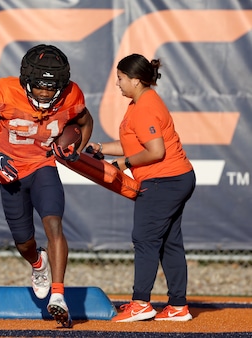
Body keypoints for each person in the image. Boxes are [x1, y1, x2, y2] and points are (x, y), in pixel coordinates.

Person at [0, 44, 93, 327]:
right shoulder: (4, 93)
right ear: (26, 81)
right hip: (11, 173)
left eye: (51, 87)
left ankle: (58, 295)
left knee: (54, 225)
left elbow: (85, 121)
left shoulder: (72, 95)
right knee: (24, 243)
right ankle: (38, 263)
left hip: (43, 167)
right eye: (39, 86)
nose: (46, 93)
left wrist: (77, 148)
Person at [87, 53, 195, 322]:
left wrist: (124, 163)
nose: (117, 83)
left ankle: (141, 303)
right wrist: (99, 149)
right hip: (175, 178)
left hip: (164, 180)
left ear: (135, 80)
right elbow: (134, 144)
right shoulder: (138, 103)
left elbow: (155, 151)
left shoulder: (146, 105)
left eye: (121, 78)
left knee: (145, 240)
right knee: (169, 242)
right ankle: (178, 306)